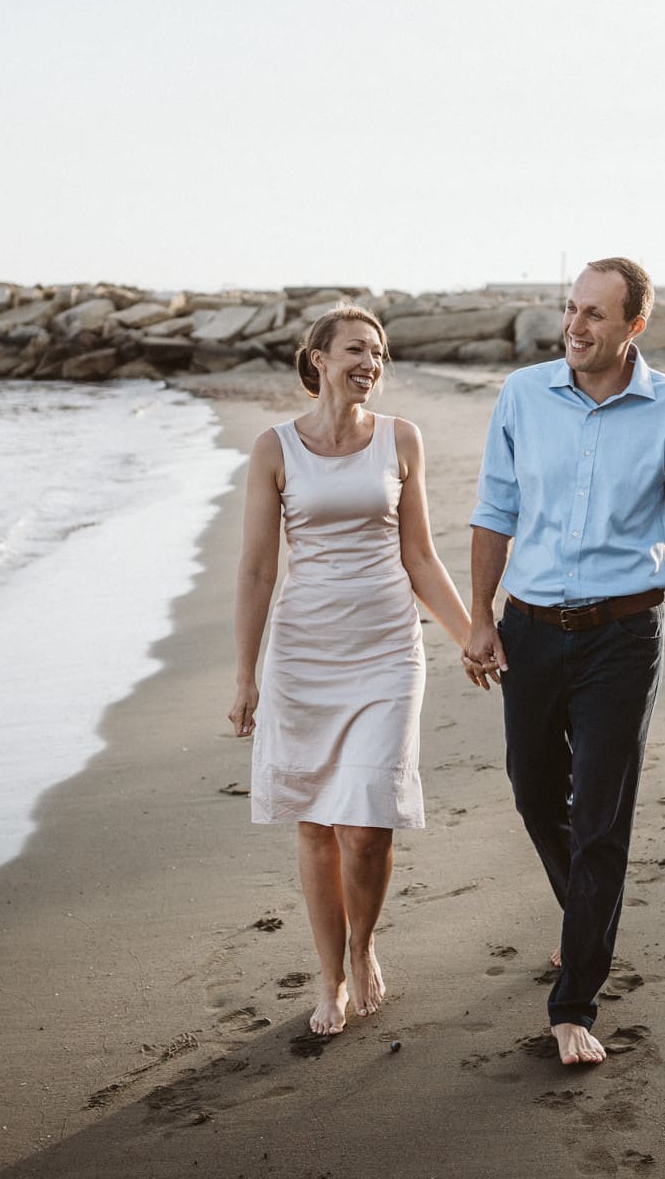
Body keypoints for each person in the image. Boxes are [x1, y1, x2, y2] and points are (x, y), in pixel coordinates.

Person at [463, 258, 665, 1065]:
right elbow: (494, 511)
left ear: (634, 328)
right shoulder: (522, 395)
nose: (576, 327)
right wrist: (479, 616)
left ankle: (574, 999)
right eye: (570, 309)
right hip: (533, 629)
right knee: (534, 788)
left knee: (602, 818)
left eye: (595, 316)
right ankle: (584, 911)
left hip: (623, 637)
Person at [229, 305, 471, 1037]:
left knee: (368, 827)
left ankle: (363, 946)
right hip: (304, 655)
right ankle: (330, 978)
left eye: (380, 352)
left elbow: (421, 556)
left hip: (387, 652)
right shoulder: (275, 450)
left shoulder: (401, 439)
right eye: (358, 350)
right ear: (319, 359)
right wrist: (246, 677)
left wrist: (470, 636)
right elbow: (257, 567)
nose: (372, 362)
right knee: (315, 823)